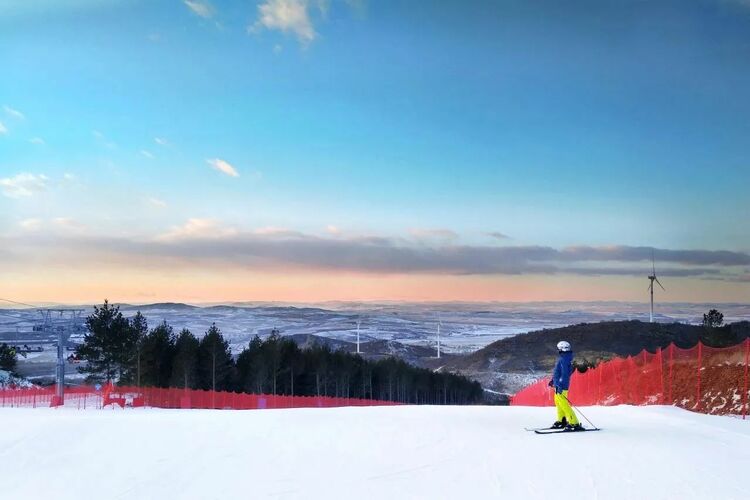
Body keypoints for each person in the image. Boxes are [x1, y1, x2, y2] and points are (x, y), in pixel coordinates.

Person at [548, 340, 583, 431]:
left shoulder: (564, 359)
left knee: (564, 404)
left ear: (561, 349)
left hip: (561, 386)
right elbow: (559, 372)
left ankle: (574, 423)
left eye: (558, 348)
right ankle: (561, 420)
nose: (558, 350)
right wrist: (553, 381)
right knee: (558, 402)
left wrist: (558, 384)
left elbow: (564, 374)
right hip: (558, 384)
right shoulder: (565, 358)